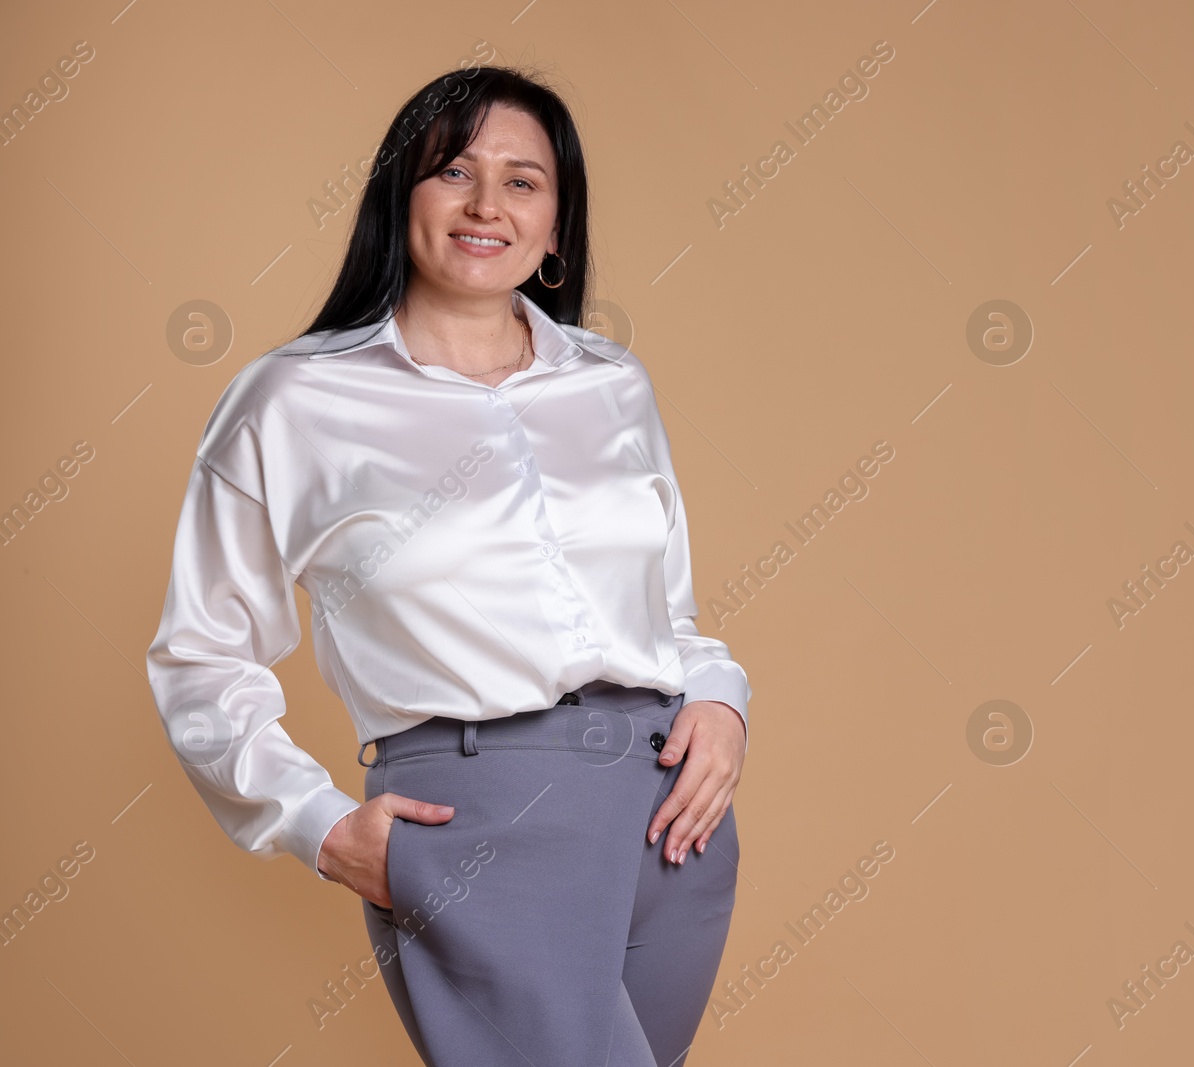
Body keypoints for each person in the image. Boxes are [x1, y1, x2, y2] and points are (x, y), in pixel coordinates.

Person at [145, 64, 749, 1067]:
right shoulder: (291, 402)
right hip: (477, 815)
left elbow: (666, 616)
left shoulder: (612, 386)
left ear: (556, 225)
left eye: (522, 182)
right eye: (452, 171)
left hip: (668, 818)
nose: (485, 206)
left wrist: (721, 698)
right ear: (399, 195)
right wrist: (315, 820)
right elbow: (200, 656)